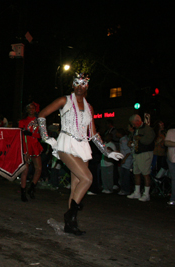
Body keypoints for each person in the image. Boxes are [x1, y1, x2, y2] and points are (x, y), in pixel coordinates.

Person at [37, 73, 123, 235]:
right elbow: (41, 115)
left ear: (87, 87)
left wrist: (107, 152)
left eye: (83, 84)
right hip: (66, 144)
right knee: (87, 178)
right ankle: (70, 214)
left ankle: (70, 224)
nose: (80, 86)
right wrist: (46, 137)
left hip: (83, 146)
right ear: (73, 85)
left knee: (77, 186)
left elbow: (93, 134)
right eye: (77, 83)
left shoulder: (89, 107)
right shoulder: (64, 100)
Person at [18, 102, 44, 202]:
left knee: (39, 168)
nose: (31, 110)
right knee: (25, 170)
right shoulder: (22, 121)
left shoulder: (39, 121)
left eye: (33, 108)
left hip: (35, 146)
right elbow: (19, 134)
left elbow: (41, 135)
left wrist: (31, 133)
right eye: (29, 108)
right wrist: (22, 132)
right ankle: (23, 192)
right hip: (25, 147)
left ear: (36, 109)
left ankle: (32, 188)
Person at [127, 114, 155, 202]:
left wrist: (139, 138)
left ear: (138, 121)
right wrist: (131, 142)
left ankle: (146, 194)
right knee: (136, 173)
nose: (133, 126)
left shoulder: (148, 129)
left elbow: (149, 141)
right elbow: (134, 140)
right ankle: (137, 192)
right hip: (137, 153)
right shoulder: (136, 130)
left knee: (146, 173)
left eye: (133, 124)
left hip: (145, 153)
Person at [116, 128, 133, 195]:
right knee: (123, 175)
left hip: (127, 161)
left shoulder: (124, 140)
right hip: (124, 160)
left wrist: (124, 159)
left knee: (125, 176)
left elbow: (128, 151)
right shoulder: (122, 139)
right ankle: (124, 189)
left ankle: (126, 190)